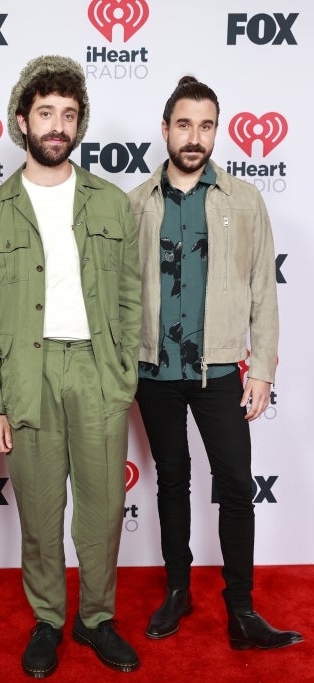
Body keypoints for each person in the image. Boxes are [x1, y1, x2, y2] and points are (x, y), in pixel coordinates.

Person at [0, 55, 142, 677]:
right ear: (22, 120)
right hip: (26, 375)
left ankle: (96, 618)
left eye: (69, 114)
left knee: (102, 509)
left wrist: (122, 374)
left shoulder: (112, 203)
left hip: (97, 371)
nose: (58, 125)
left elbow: (130, 297)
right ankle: (47, 620)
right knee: (40, 514)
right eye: (46, 113)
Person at [128, 76, 303, 650]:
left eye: (206, 126)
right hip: (154, 371)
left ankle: (242, 610)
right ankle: (178, 591)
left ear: (215, 131)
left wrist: (263, 369)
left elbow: (264, 292)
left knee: (234, 483)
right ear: (165, 129)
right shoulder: (136, 203)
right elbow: (121, 292)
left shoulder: (244, 200)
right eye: (184, 124)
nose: (195, 137)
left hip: (221, 369)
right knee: (171, 480)